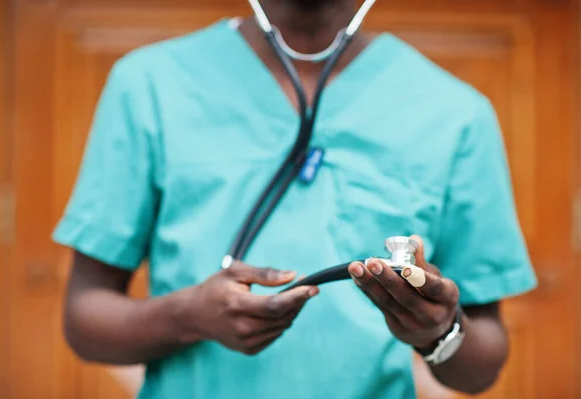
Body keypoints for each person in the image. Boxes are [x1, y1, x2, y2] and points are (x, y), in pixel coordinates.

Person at [53, 1, 538, 398]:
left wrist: (437, 332)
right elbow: (85, 320)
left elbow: (482, 367)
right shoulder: (148, 85)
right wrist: (189, 316)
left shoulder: (455, 113)